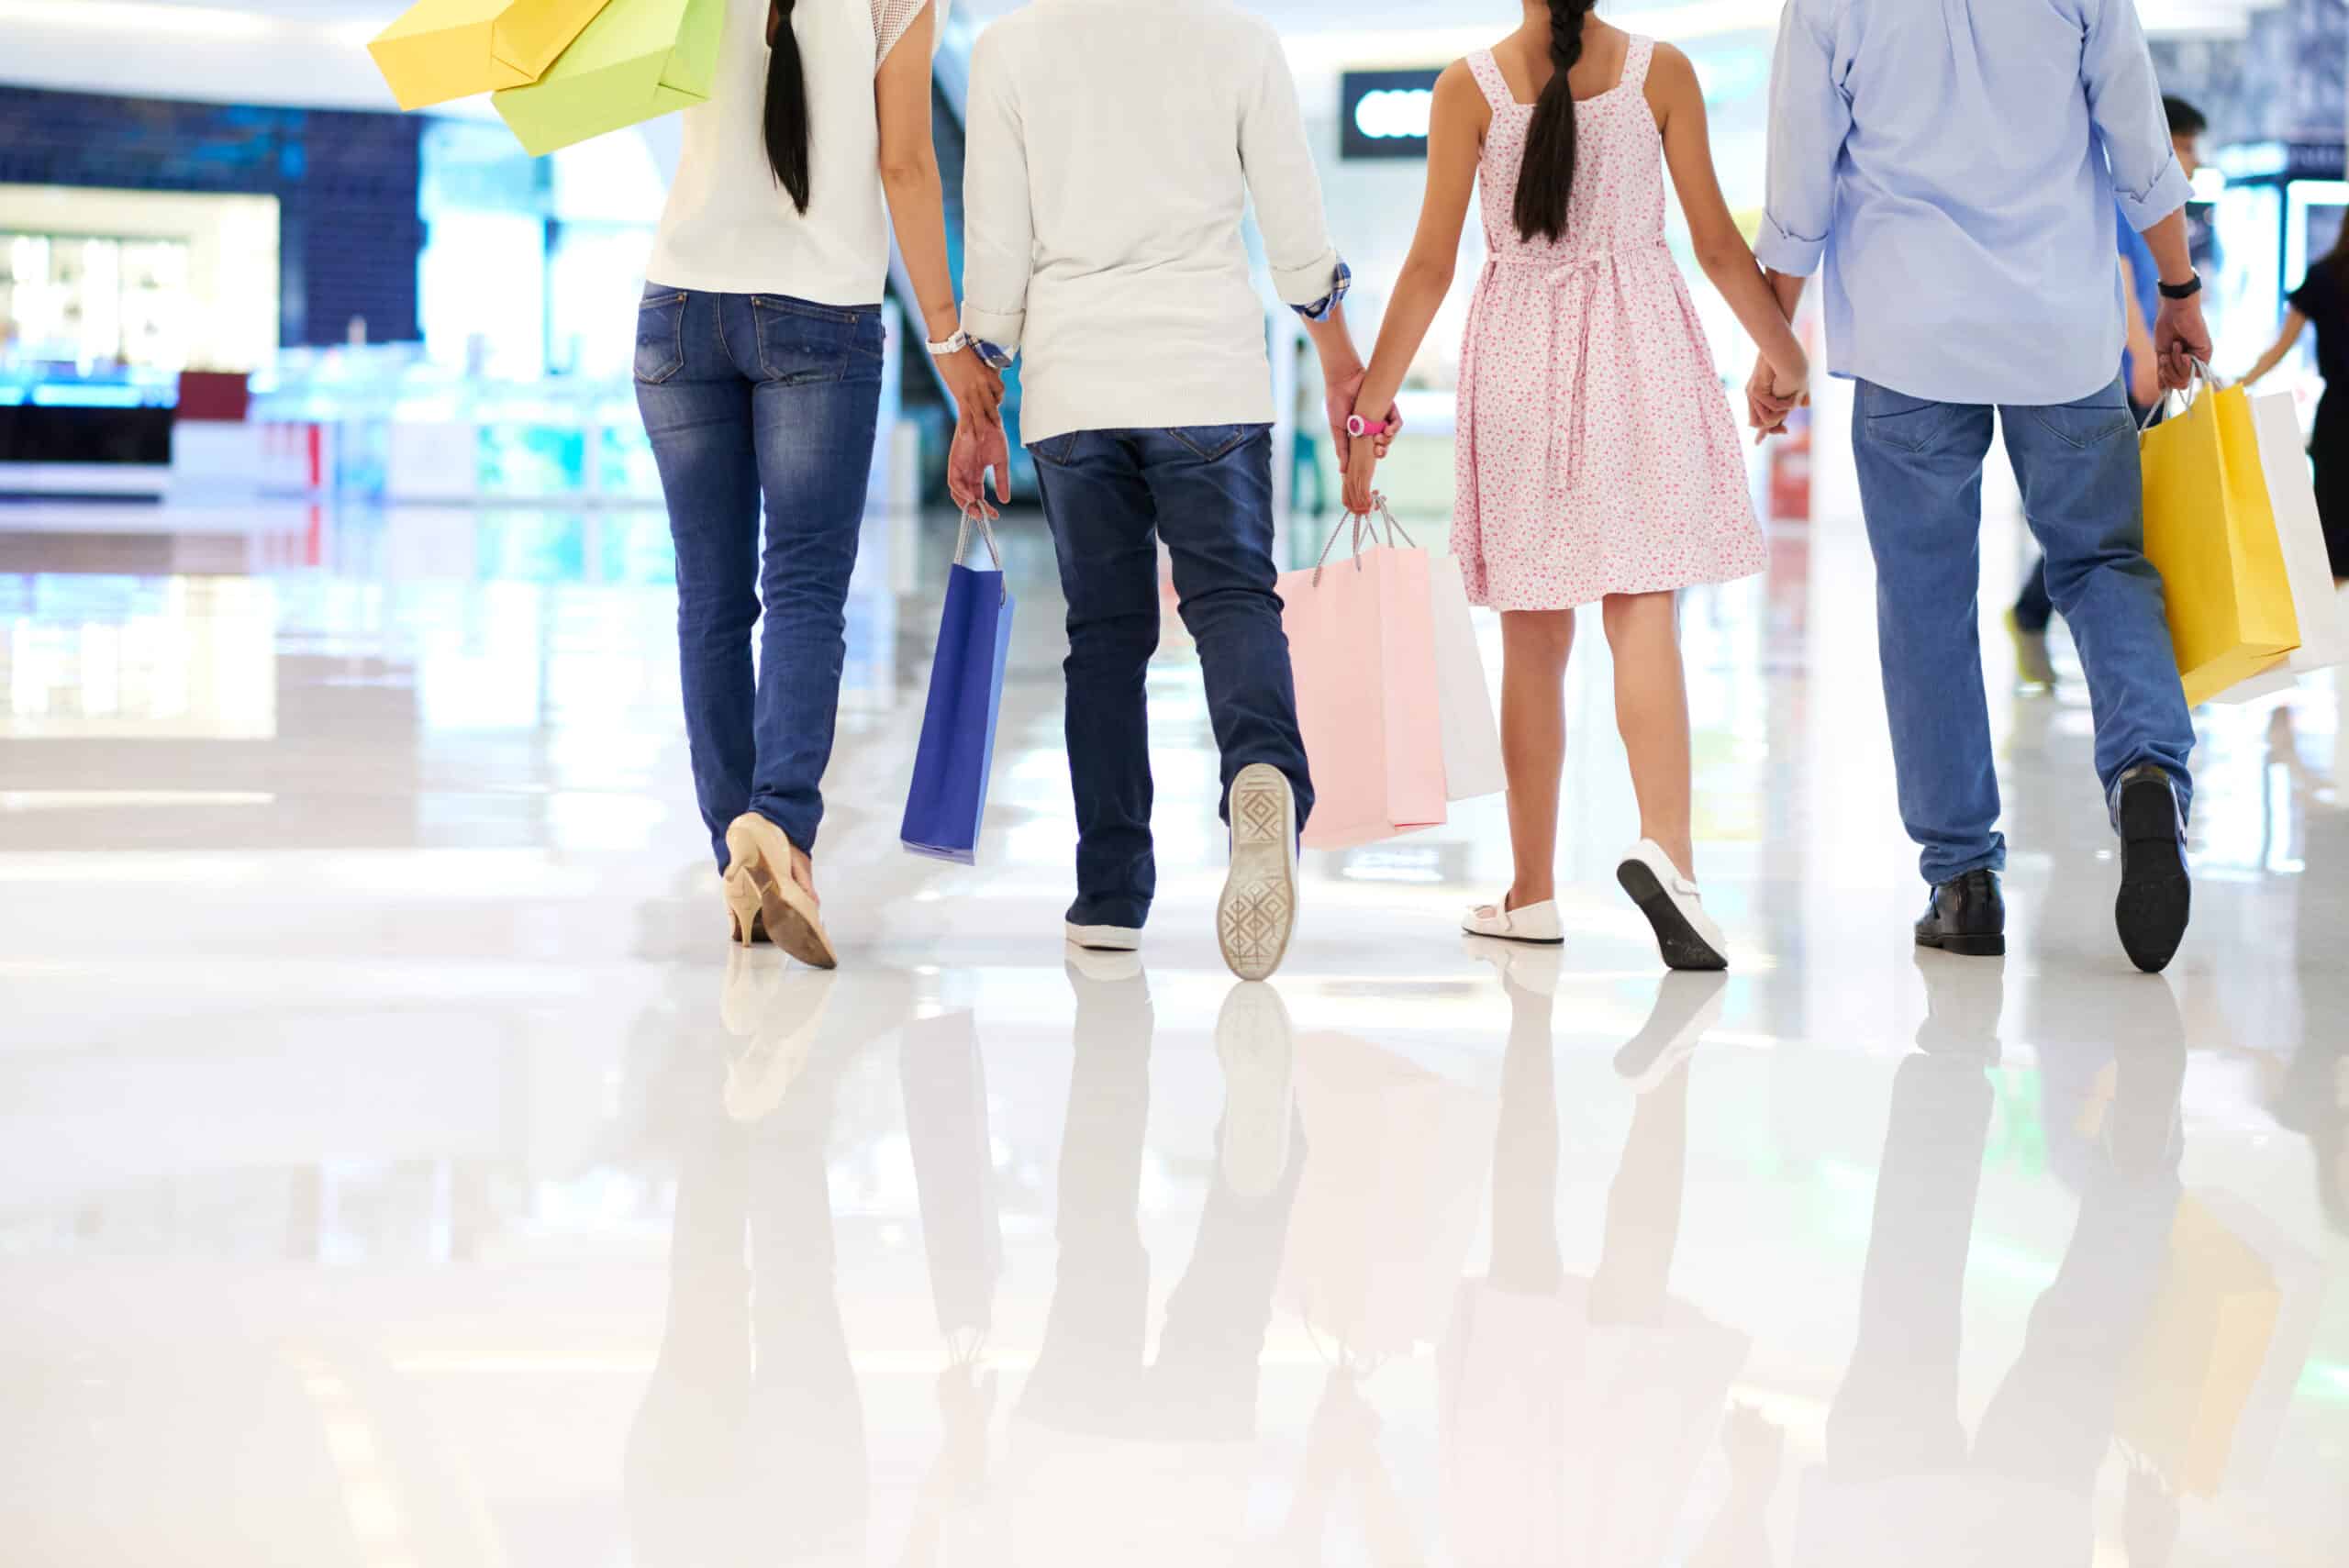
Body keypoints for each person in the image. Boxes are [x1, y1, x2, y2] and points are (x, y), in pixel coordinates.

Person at [1340, 1, 1803, 971]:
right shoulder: (1660, 72)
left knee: (1532, 636)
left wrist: (1369, 416)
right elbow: (1717, 243)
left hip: (1518, 358)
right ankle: (1670, 860)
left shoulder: (1467, 87)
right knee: (1642, 609)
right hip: (1642, 348)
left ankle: (1532, 892)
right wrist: (1782, 355)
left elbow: (1428, 266)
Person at [1751, 0, 2209, 973]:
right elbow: (2137, 136)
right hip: (2060, 331)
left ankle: (1961, 881)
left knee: (1924, 601)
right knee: (2099, 563)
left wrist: (1775, 339)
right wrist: (2177, 291)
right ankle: (2146, 769)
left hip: (1905, 334)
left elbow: (1798, 176)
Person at [944, 0, 1393, 982]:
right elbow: (1292, 225)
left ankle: (1108, 891)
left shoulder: (1010, 47)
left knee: (1104, 638)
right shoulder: (1236, 36)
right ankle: (1260, 770)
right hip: (1207, 373)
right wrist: (1339, 356)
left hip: (1075, 380)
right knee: (1233, 599)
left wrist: (982, 392)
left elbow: (995, 249)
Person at [638, 0, 1002, 967]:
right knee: (802, 586)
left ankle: (739, 853)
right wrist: (949, 336)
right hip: (820, 312)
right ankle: (782, 835)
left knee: (709, 600)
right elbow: (905, 163)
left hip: (677, 307)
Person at [2009, 94, 2209, 689]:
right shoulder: (2129, 200)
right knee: (2104, 519)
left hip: (2139, 370)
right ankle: (2031, 612)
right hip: (2120, 377)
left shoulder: (2161, 212)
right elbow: (2120, 276)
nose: (2194, 160)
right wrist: (2143, 357)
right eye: (2186, 147)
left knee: (2113, 514)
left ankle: (2034, 613)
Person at [2243, 221, 2349, 583]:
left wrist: (2244, 381)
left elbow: (2281, 347)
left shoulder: (2324, 275)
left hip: (2337, 414)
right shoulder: (2324, 275)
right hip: (2336, 410)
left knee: (2331, 516)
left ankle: (2328, 621)